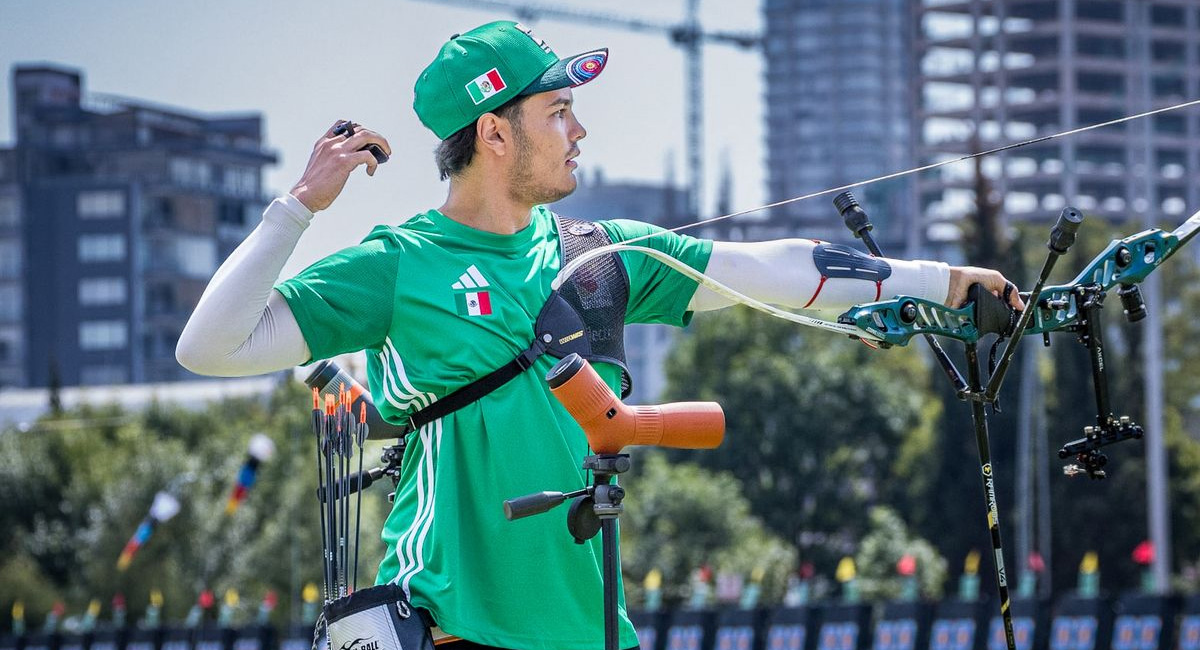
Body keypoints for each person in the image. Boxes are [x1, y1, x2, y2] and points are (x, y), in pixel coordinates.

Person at [177, 20, 1024, 650]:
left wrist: (941, 283)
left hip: (594, 629)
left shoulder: (601, 255)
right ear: (495, 133)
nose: (578, 130)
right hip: (452, 624)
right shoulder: (402, 264)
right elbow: (209, 346)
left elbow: (764, 269)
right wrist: (299, 207)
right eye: (558, 112)